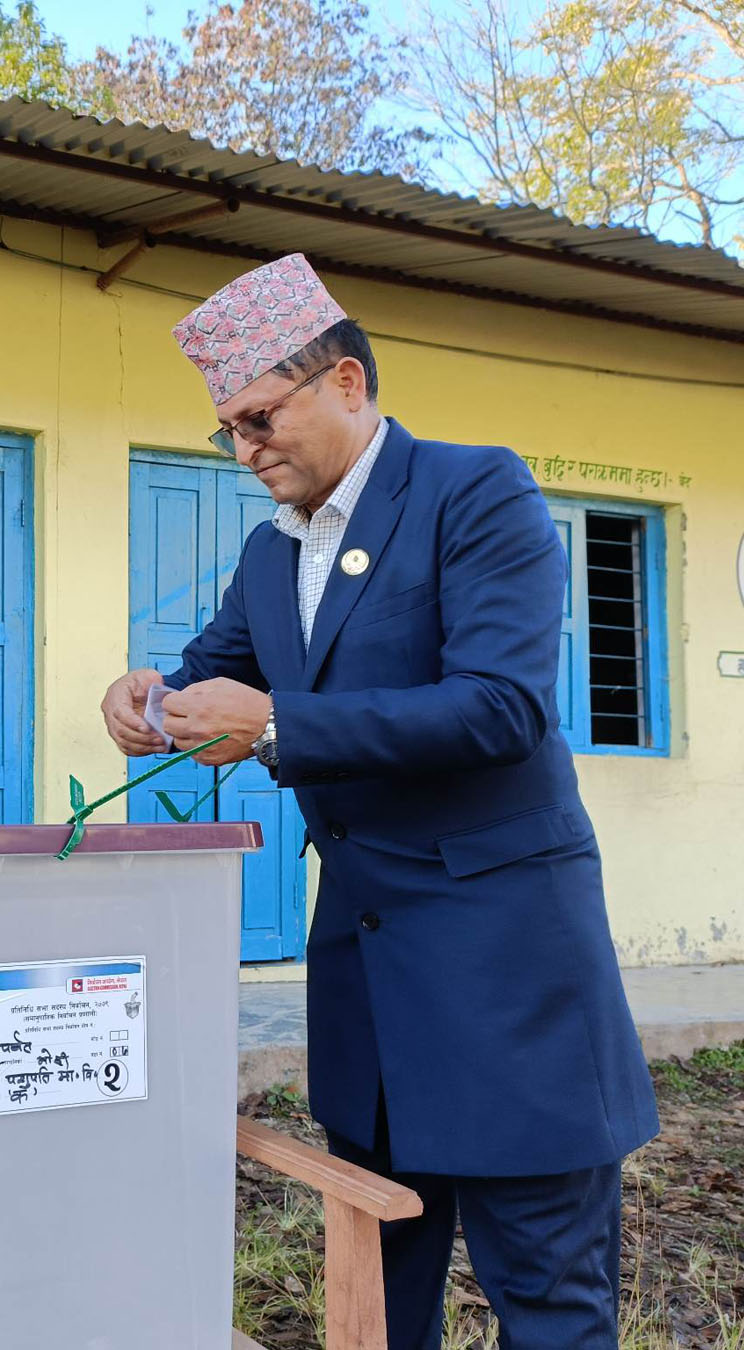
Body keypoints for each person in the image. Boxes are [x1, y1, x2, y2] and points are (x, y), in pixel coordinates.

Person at [100, 254, 658, 1350]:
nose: (247, 452)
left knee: (546, 1295)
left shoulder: (473, 492)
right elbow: (209, 672)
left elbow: (502, 707)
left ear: (345, 383)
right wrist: (141, 700)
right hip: (368, 980)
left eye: (259, 419)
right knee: (378, 1292)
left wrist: (274, 726)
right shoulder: (272, 556)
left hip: (505, 980)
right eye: (230, 433)